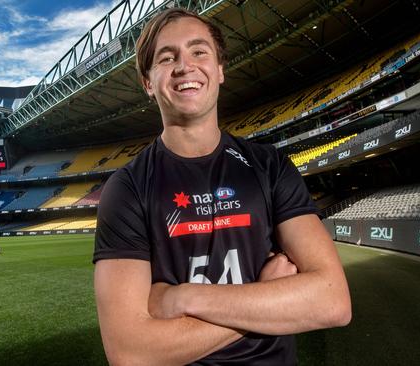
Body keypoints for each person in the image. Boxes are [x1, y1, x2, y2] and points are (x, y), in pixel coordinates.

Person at [93, 8, 351, 365]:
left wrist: (184, 298)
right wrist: (266, 297)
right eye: (167, 58)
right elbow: (130, 353)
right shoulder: (127, 188)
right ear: (148, 83)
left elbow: (333, 300)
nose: (185, 66)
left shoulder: (270, 167)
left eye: (199, 52)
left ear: (219, 69)